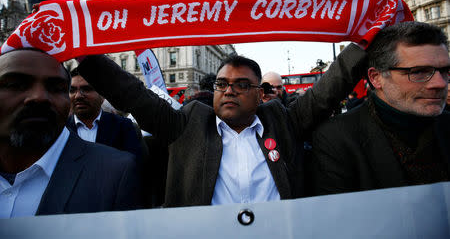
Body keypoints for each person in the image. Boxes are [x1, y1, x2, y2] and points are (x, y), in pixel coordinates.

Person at [76, 42, 366, 208]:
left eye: (242, 85)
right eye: (222, 84)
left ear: (259, 93)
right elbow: (132, 94)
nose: (229, 91)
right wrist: (82, 51)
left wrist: (364, 43)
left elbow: (330, 88)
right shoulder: (186, 124)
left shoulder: (283, 120)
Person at [310, 21, 450, 196]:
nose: (440, 83)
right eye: (419, 72)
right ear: (376, 78)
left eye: (445, 71)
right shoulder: (336, 138)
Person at [0, 49, 143, 218]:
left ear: (102, 96)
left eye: (56, 87)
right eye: (16, 85)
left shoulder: (118, 170)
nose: (38, 96)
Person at [66, 68, 146, 163]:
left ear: (102, 94)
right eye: (72, 90)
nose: (78, 95)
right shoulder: (59, 129)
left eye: (86, 89)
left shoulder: (125, 127)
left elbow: (137, 168)